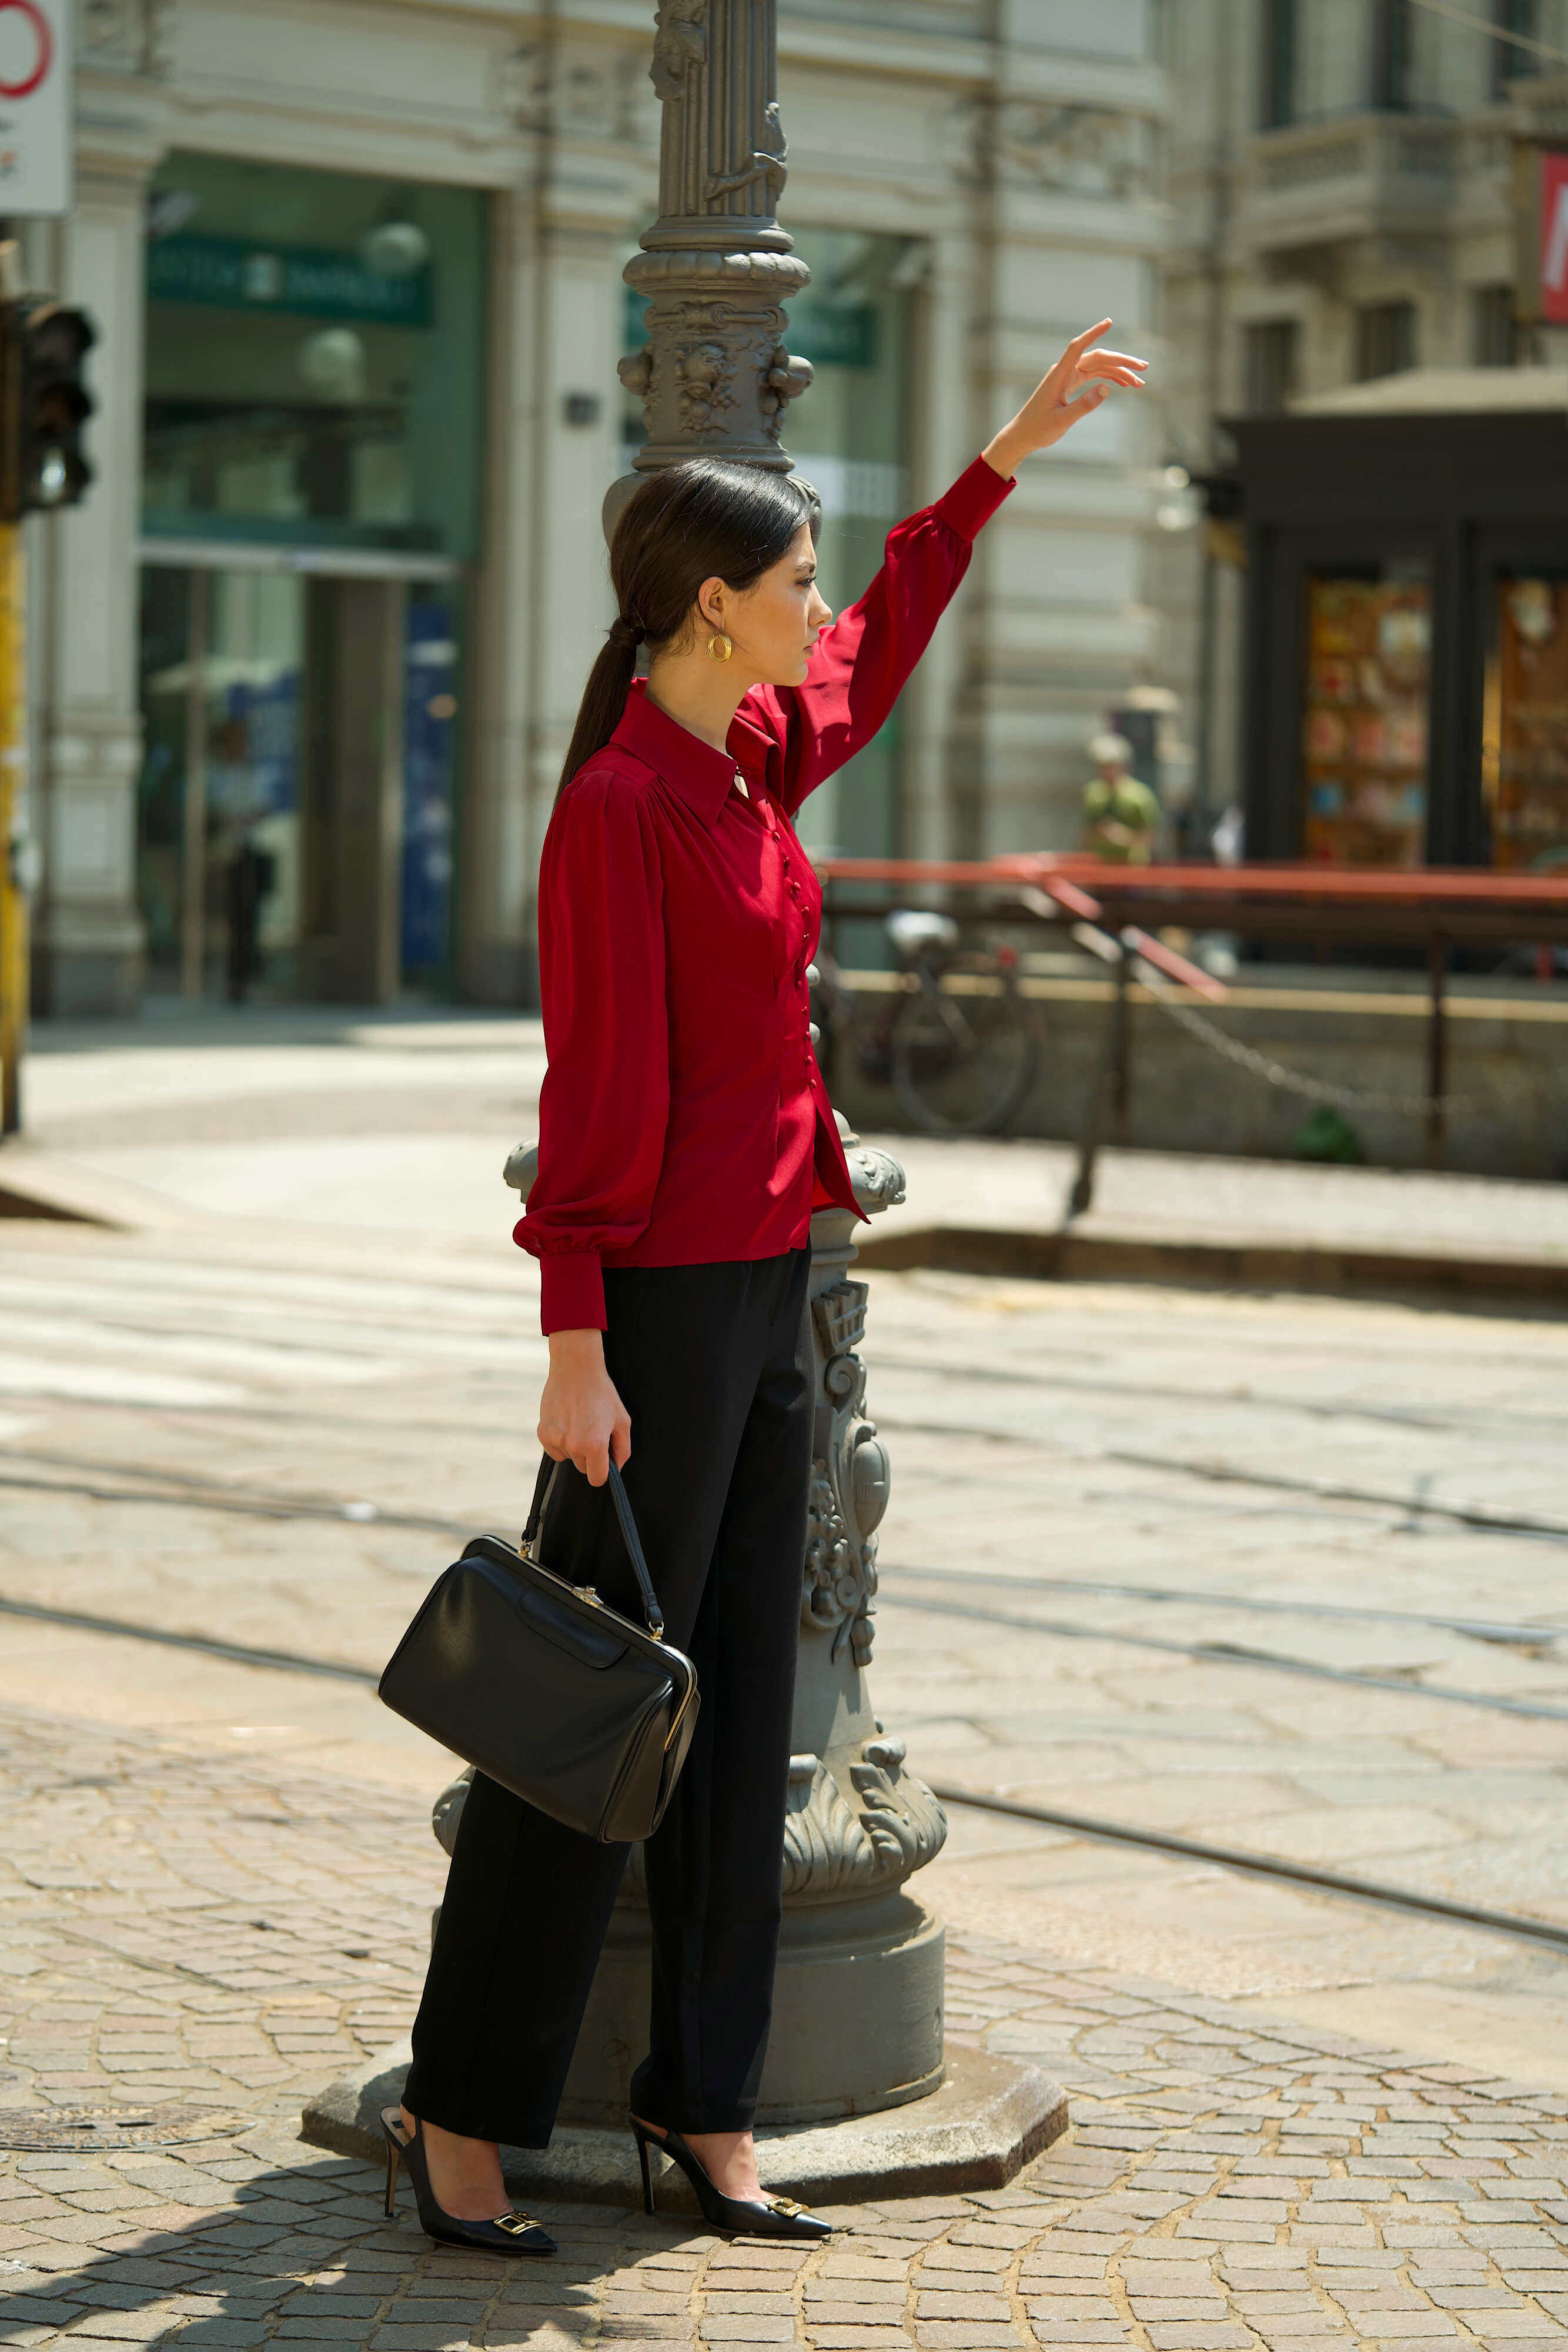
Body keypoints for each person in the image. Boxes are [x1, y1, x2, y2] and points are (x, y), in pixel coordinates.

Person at [386, 320, 1148, 2256]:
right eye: (787, 583)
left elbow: (874, 647)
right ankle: (465, 2116)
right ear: (712, 606)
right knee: (583, 1723)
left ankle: (703, 2110)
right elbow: (593, 1092)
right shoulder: (622, 808)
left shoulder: (740, 754)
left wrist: (1003, 453)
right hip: (652, 1319)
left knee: (733, 1725)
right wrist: (572, 1338)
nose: (812, 612)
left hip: (772, 1295)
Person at [1082, 730, 1161, 863]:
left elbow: (1151, 838)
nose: (1106, 772)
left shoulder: (1140, 796)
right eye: (1102, 766)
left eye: (1111, 766)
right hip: (1100, 868)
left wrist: (1123, 837)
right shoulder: (1093, 793)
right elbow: (1086, 832)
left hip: (1130, 870)